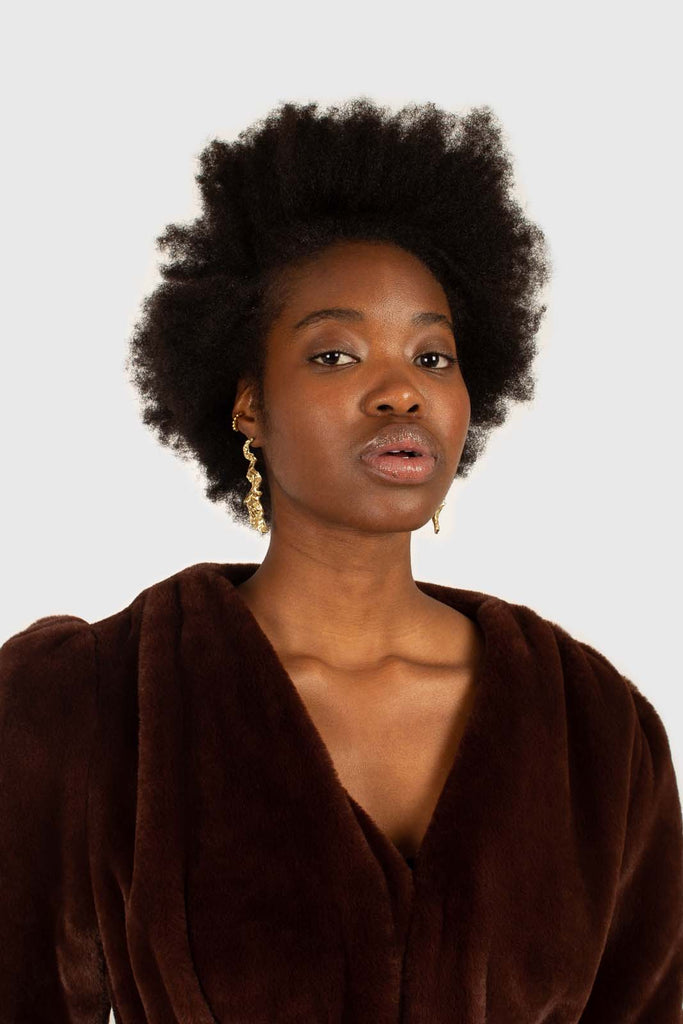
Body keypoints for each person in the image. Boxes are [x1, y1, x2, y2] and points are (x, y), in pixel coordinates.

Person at [1, 97, 681, 1022]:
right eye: (334, 355)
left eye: (433, 358)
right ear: (247, 402)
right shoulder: (91, 705)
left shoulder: (593, 728)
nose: (401, 391)